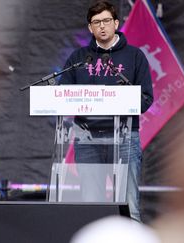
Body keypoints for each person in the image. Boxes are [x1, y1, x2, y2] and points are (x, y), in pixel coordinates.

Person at [59, 0, 154, 222]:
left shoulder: (135, 56)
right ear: (90, 28)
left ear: (116, 23)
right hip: (87, 138)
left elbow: (146, 98)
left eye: (106, 21)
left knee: (129, 204)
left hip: (125, 137)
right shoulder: (78, 58)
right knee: (92, 204)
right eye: (96, 22)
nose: (102, 26)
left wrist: (121, 102)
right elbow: (63, 95)